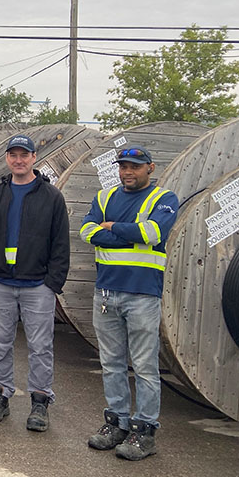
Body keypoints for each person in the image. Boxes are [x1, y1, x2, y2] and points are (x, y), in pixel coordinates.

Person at [81, 146, 178, 460]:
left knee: (145, 366)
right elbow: (86, 232)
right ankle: (117, 424)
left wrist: (110, 228)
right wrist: (125, 233)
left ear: (150, 168)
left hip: (142, 295)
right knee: (111, 363)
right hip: (107, 292)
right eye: (123, 167)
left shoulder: (163, 199)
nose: (127, 173)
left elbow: (152, 232)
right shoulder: (104, 198)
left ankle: (145, 432)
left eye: (134, 167)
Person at [0, 135, 70, 432]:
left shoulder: (51, 196)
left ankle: (40, 402)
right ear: (7, 158)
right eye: (13, 155)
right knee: (1, 344)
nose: (18, 160)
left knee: (40, 346)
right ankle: (0, 395)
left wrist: (52, 283)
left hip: (37, 285)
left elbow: (60, 244)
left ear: (33, 158)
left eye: (24, 155)